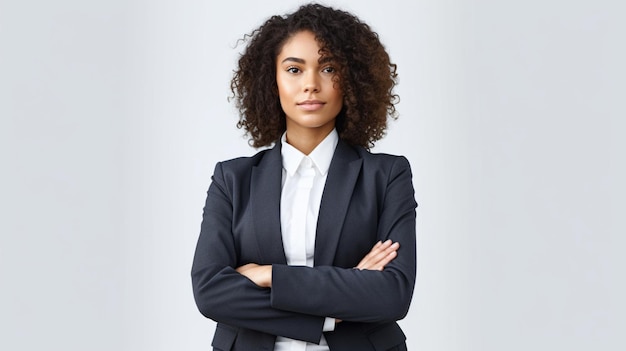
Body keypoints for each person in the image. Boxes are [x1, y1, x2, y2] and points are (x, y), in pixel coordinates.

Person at [191, 3, 417, 350]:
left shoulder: (386, 176)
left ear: (352, 79)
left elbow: (392, 295)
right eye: (294, 69)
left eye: (328, 68)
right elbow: (210, 292)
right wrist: (339, 302)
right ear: (272, 81)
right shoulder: (232, 180)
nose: (311, 84)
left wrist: (268, 276)